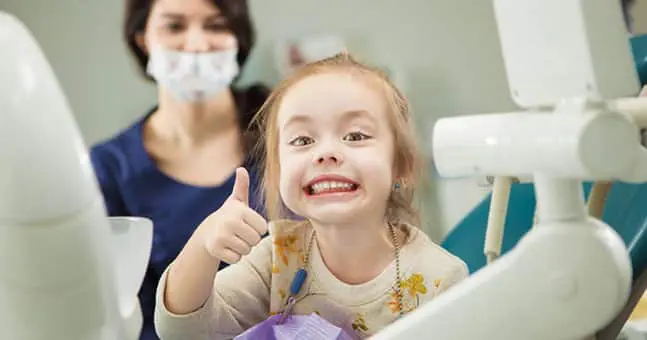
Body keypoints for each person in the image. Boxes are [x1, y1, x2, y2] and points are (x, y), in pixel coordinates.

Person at [154, 53, 469, 339]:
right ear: (278, 173)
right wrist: (203, 245)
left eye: (355, 136)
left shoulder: (441, 279)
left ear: (401, 166)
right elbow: (184, 333)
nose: (326, 153)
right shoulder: (278, 257)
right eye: (303, 140)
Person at [89, 0, 269, 339]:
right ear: (143, 39)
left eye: (216, 26)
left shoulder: (285, 133)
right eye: (174, 26)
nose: (197, 45)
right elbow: (124, 315)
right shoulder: (110, 169)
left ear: (238, 38)